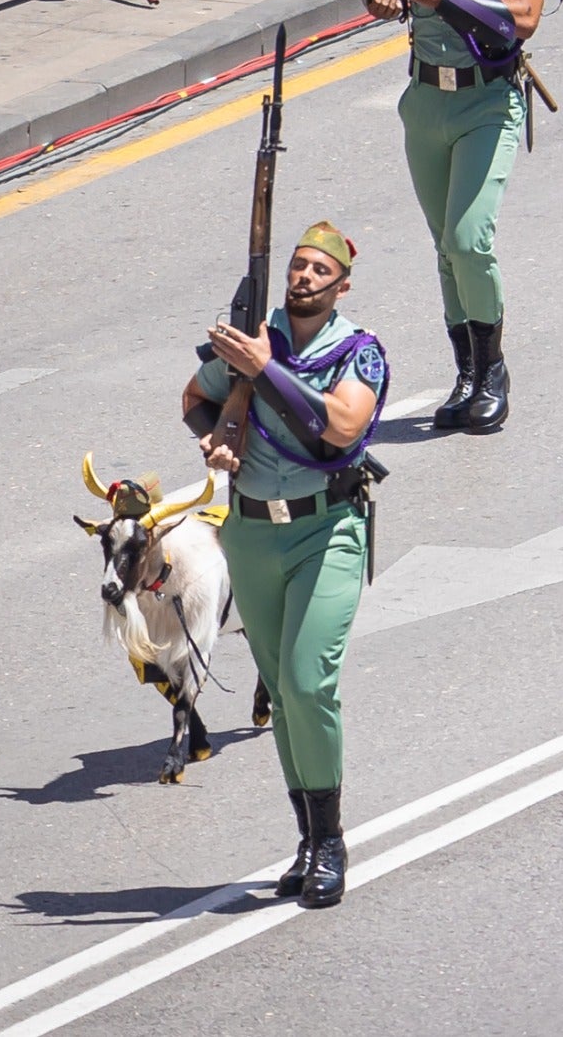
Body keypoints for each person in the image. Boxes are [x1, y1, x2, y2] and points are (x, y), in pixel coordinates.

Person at [181, 221, 389, 909]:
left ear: (341, 288)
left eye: (317, 271)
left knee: (306, 684)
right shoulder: (251, 340)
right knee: (279, 686)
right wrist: (217, 434)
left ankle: (331, 843)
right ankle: (306, 838)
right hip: (248, 534)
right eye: (297, 267)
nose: (302, 277)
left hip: (324, 530)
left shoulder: (356, 351)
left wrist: (263, 369)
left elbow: (340, 427)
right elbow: (193, 397)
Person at [361, 0, 551, 433]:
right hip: (426, 101)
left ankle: (492, 372)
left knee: (468, 241)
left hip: (487, 102)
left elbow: (524, 16)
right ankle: (466, 374)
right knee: (446, 248)